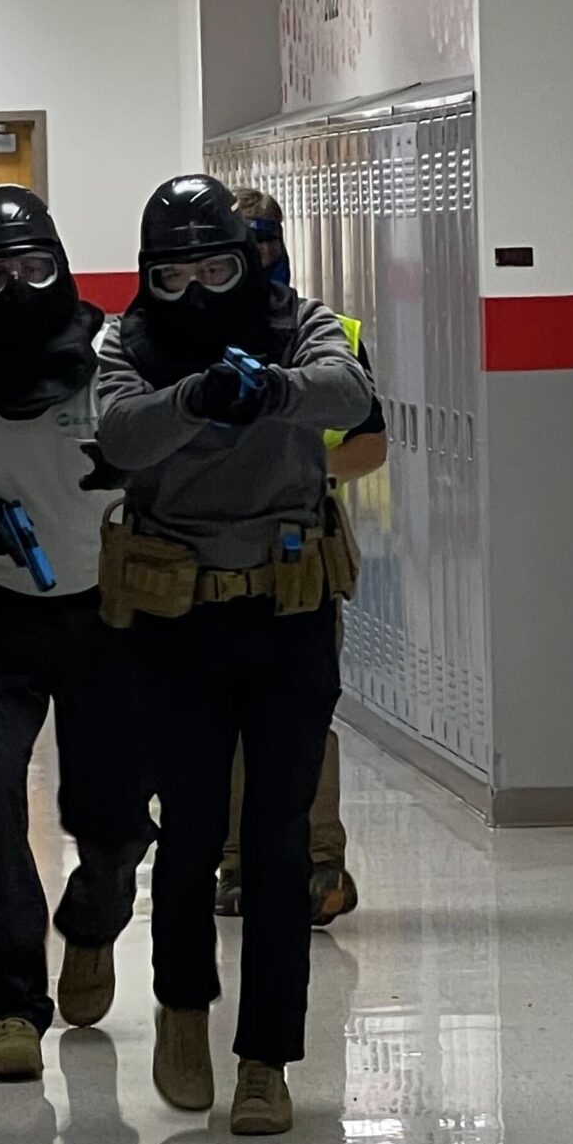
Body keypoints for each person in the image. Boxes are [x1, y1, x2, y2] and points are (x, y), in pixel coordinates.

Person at [94, 174, 372, 1136]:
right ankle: (182, 1010)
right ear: (148, 275)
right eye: (176, 274)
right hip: (178, 624)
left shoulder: (301, 324)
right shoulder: (126, 340)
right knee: (191, 829)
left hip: (288, 616)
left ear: (248, 261)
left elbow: (350, 390)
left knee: (279, 840)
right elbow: (120, 431)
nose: (200, 290)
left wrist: (273, 389)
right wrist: (196, 397)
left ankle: (265, 1061)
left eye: (219, 266)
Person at [0, 185, 154, 1087]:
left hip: (111, 608)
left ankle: (99, 913)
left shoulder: (114, 351)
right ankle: (9, 1005)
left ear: (61, 263)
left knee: (111, 814)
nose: (17, 288)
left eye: (34, 268)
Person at [215, 188, 387, 928]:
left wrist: (302, 473)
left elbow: (370, 443)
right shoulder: (182, 335)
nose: (259, 255)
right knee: (221, 716)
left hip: (304, 547)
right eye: (243, 240)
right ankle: (233, 865)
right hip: (210, 547)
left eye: (267, 239)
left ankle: (321, 863)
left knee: (306, 707)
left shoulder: (326, 335)